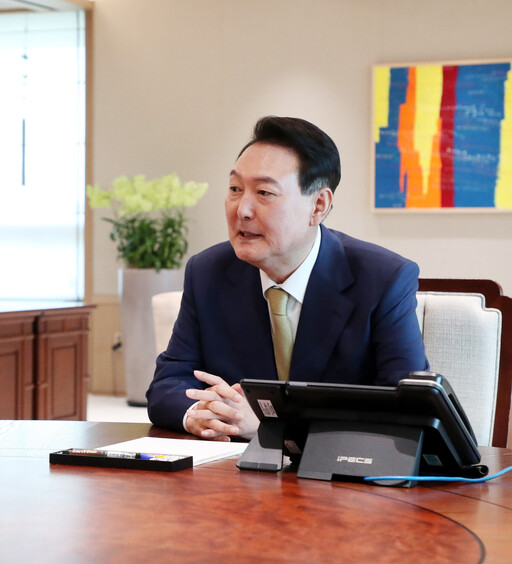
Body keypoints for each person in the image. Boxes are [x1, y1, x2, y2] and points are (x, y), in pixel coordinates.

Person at [146, 116, 428, 440]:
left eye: (264, 192)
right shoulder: (208, 272)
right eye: (235, 189)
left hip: (341, 482)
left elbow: (405, 409)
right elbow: (168, 384)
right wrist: (199, 414)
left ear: (318, 206)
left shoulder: (383, 280)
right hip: (235, 480)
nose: (242, 210)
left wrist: (273, 427)